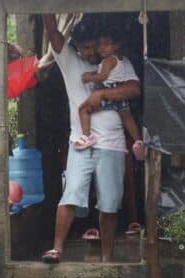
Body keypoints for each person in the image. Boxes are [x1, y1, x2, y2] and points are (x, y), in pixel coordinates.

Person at [41, 14, 141, 264]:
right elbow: (53, 32)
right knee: (71, 195)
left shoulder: (120, 63)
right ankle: (57, 249)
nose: (93, 51)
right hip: (81, 144)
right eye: (86, 46)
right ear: (77, 47)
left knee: (109, 203)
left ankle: (107, 257)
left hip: (113, 144)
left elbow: (134, 90)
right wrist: (45, 9)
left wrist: (103, 94)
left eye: (97, 45)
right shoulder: (71, 62)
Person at [77, 28, 143, 159]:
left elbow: (102, 76)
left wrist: (89, 78)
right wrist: (92, 74)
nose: (101, 48)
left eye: (105, 44)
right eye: (99, 45)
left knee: (83, 109)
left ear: (116, 46)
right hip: (119, 93)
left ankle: (86, 137)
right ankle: (138, 141)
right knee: (127, 118)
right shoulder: (118, 60)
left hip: (109, 91)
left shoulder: (109, 60)